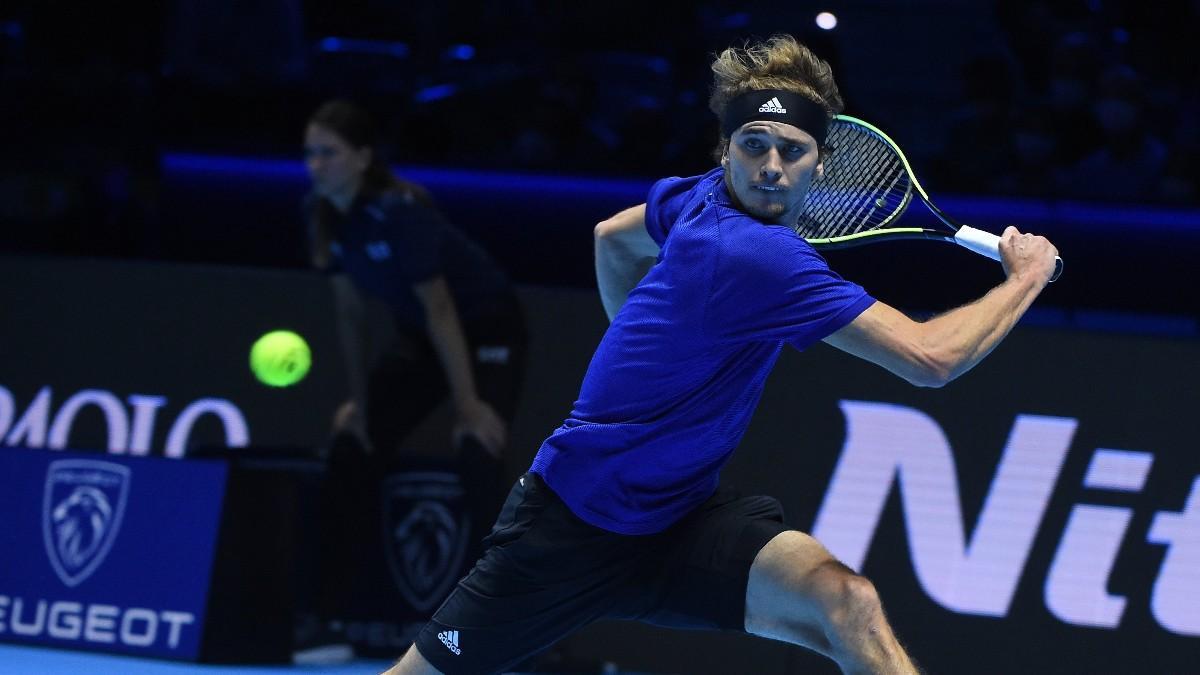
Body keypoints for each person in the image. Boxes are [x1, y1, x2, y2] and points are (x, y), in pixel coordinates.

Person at [387, 34, 1058, 675]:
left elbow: (611, 238)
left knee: (847, 602)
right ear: (725, 149)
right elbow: (930, 357)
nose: (770, 166)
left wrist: (661, 353)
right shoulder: (759, 254)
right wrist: (1025, 276)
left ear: (819, 164)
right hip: (568, 530)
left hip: (677, 520)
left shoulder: (700, 195)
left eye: (791, 150)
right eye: (753, 144)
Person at [298, 99, 527, 659]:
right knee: (354, 447)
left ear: (362, 158)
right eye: (309, 154)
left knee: (478, 450)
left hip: (487, 323)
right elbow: (350, 314)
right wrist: (359, 403)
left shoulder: (402, 209)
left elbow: (442, 308)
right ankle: (328, 621)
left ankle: (506, 634)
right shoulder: (322, 214)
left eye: (328, 153)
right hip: (422, 337)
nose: (315, 165)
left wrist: (468, 403)